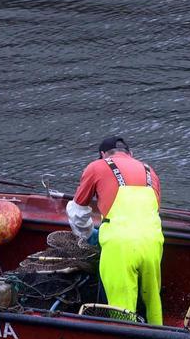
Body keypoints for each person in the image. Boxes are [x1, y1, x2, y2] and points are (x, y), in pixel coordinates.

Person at [66, 136, 164, 325]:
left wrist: (88, 234)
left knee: (122, 311)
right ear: (130, 154)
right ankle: (159, 336)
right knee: (152, 301)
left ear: (103, 155)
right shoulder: (150, 171)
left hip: (120, 246)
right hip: (153, 243)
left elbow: (76, 212)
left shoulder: (97, 166)